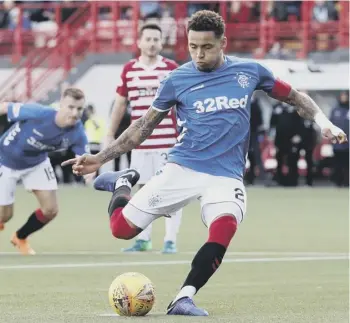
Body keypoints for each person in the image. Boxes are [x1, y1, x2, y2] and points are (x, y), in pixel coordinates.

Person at [62, 11, 347, 316]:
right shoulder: (177, 79)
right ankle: (122, 183)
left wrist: (323, 122)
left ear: (223, 43)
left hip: (226, 177)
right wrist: (101, 158)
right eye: (193, 46)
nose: (198, 54)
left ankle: (184, 296)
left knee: (224, 226)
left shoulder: (249, 72)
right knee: (121, 230)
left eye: (206, 47)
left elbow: (295, 97)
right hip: (182, 168)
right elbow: (141, 128)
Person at [105, 23, 182, 254]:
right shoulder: (129, 70)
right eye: (147, 39)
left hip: (167, 143)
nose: (151, 43)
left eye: (156, 39)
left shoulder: (171, 69)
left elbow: (181, 104)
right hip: (139, 143)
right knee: (141, 190)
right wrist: (110, 132)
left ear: (161, 43)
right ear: (139, 42)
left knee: (171, 191)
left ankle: (170, 240)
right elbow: (120, 103)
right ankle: (144, 238)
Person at [0, 88, 91, 255]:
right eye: (70, 107)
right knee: (5, 216)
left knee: (50, 210)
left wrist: (88, 171)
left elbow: (85, 157)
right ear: (61, 104)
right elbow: (5, 107)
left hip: (36, 163)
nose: (75, 113)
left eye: (79, 109)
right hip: (4, 160)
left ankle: (20, 237)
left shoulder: (78, 132)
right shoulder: (39, 113)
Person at [330, 90, 349, 187]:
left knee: (347, 165)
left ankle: (347, 183)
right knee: (338, 164)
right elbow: (332, 125)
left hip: (348, 144)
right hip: (338, 144)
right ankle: (337, 182)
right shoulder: (335, 110)